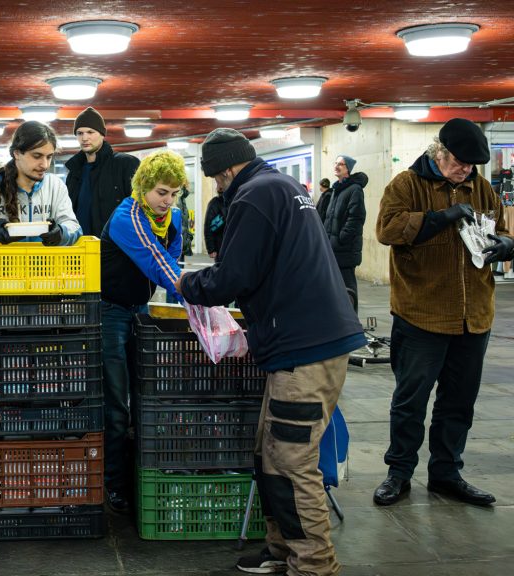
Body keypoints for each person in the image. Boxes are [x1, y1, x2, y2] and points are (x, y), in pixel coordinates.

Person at [172, 128, 364, 576]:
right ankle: (282, 550)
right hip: (303, 342)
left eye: (217, 179)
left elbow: (232, 276)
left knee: (293, 462)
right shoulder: (281, 187)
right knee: (271, 451)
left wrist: (185, 284)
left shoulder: (253, 196)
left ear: (225, 170)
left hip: (305, 348)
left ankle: (314, 565)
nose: (218, 187)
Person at [372, 118, 514, 509]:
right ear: (441, 152)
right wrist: (440, 218)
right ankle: (398, 473)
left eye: (472, 165)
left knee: (458, 401)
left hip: (474, 316)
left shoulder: (480, 187)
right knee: (410, 400)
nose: (466, 170)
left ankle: (446, 473)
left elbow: (502, 228)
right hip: (422, 316)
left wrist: (505, 244)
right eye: (460, 163)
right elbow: (387, 229)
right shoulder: (407, 184)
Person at [98, 150, 184, 513]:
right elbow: (157, 261)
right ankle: (114, 484)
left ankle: (140, 475)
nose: (168, 201)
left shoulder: (174, 218)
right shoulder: (126, 217)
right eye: (162, 192)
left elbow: (173, 261)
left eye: (175, 193)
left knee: (145, 395)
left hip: (140, 311)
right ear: (144, 188)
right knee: (117, 404)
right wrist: (204, 292)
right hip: (110, 314)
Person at [63, 107, 140, 237]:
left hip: (114, 248)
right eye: (80, 133)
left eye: (90, 132)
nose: (84, 138)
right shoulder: (74, 172)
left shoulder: (125, 164)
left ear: (102, 134)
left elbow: (140, 210)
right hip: (80, 248)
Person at [322, 155, 367, 311]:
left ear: (348, 168)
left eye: (341, 164)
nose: (337, 166)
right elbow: (330, 218)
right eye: (335, 163)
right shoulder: (337, 189)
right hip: (333, 248)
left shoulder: (355, 190)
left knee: (348, 290)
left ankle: (352, 324)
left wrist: (342, 239)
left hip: (344, 249)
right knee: (335, 290)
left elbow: (356, 217)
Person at [204, 192, 227, 258]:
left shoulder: (237, 200)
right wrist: (211, 249)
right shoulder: (215, 203)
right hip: (221, 246)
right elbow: (208, 227)